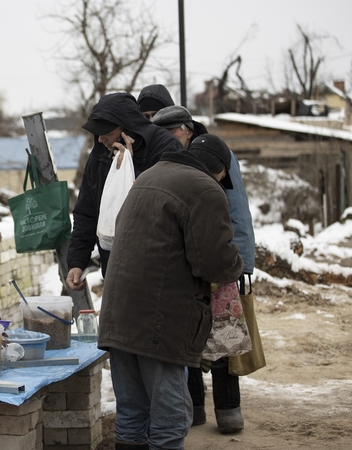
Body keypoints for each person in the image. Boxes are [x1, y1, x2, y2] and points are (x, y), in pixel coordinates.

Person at [99, 134, 243, 450]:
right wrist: (236, 263)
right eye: (222, 177)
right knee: (170, 419)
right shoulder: (204, 188)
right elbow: (214, 262)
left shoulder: (148, 176)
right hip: (158, 321)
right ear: (218, 170)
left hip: (117, 316)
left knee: (133, 415)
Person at [152, 104, 265, 433]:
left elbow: (237, 204)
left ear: (187, 130)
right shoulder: (166, 158)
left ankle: (229, 407)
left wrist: (242, 259)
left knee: (224, 330)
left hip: (220, 255)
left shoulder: (215, 153)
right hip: (183, 263)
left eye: (172, 133)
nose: (168, 139)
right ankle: (195, 406)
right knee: (188, 333)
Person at [65, 92, 183, 290]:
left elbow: (168, 209)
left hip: (158, 270)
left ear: (127, 129)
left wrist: (128, 168)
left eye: (107, 133)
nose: (101, 139)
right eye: (97, 133)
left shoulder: (165, 147)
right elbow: (87, 211)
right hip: (114, 267)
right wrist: (77, 261)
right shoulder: (100, 153)